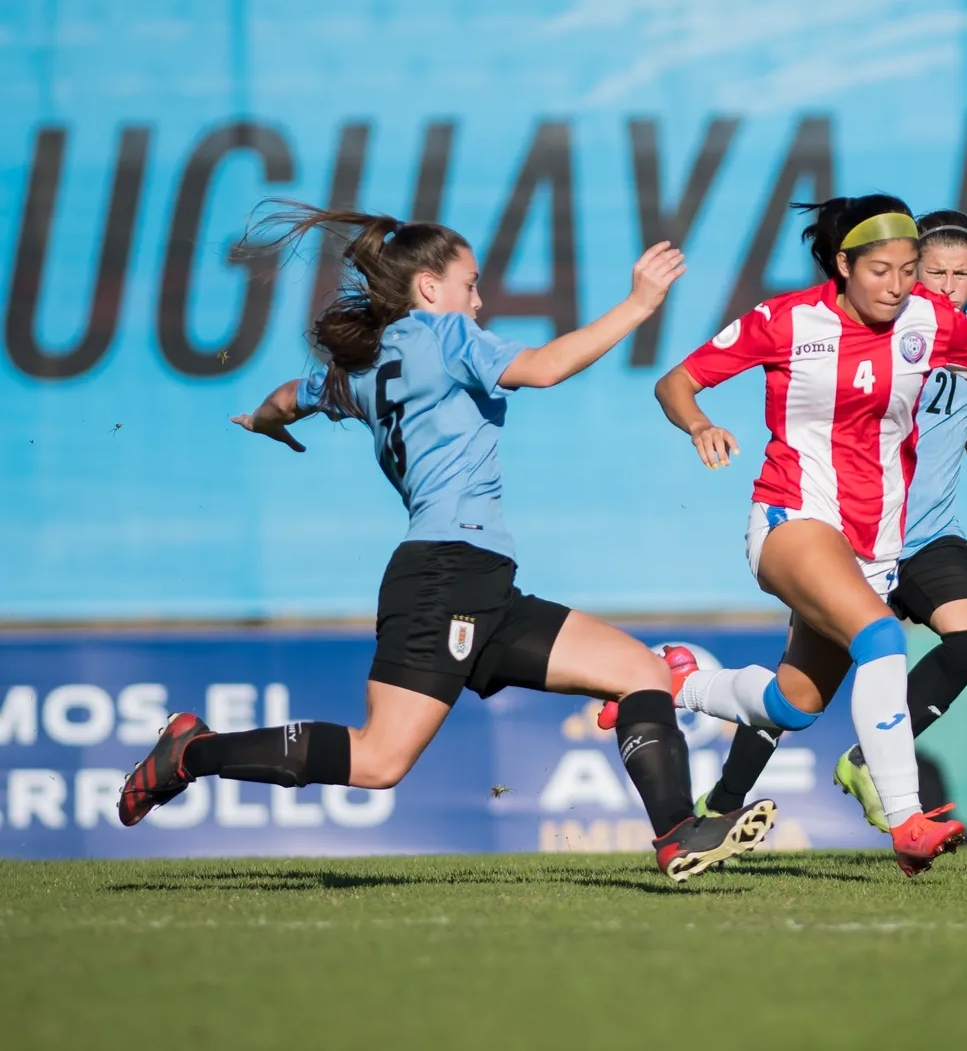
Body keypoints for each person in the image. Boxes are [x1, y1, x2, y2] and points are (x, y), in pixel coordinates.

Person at [117, 201, 775, 882]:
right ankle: (190, 752)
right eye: (470, 283)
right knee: (378, 760)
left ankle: (677, 835)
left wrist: (261, 420)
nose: (479, 298)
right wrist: (639, 304)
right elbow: (545, 368)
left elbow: (294, 393)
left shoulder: (368, 364)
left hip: (477, 579)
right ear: (430, 289)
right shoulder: (444, 335)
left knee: (641, 671)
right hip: (444, 577)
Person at [649, 194, 967, 876]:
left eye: (911, 269)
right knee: (882, 636)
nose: (900, 285)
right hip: (792, 515)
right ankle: (904, 818)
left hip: (877, 541)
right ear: (843, 264)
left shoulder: (932, 322)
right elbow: (675, 383)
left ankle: (667, 679)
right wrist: (699, 424)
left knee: (790, 707)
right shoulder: (785, 319)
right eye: (883, 270)